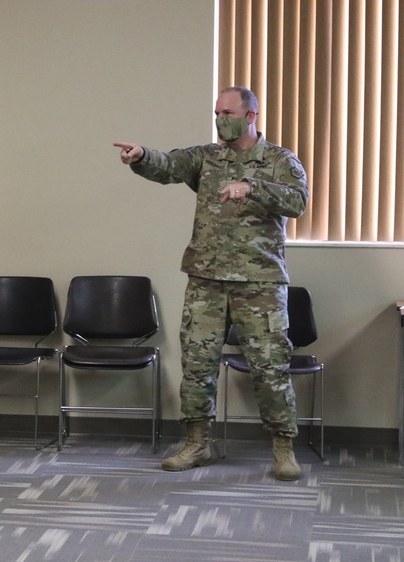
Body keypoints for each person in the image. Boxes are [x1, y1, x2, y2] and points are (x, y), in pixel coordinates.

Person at [113, 85, 309, 481]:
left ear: (250, 116)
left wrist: (252, 187)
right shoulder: (207, 157)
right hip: (207, 280)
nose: (220, 120)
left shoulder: (279, 160)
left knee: (269, 369)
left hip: (259, 283)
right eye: (217, 112)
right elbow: (169, 166)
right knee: (197, 366)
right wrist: (141, 157)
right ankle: (196, 443)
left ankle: (283, 449)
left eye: (228, 112)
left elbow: (298, 202)